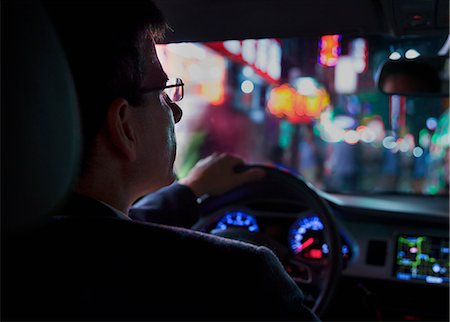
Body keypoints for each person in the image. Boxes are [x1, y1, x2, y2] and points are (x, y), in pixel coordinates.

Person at [4, 1, 319, 321]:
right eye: (163, 93)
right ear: (124, 126)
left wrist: (191, 189)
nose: (177, 112)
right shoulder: (241, 278)